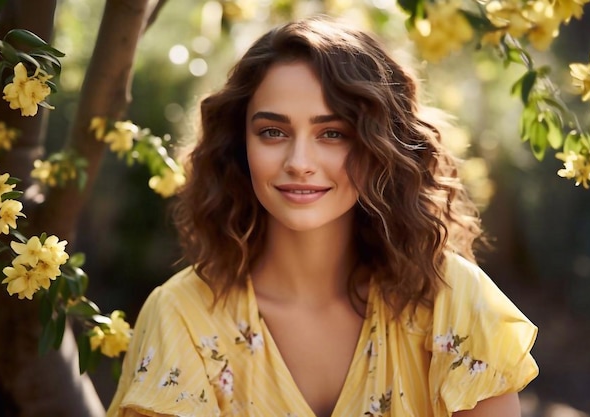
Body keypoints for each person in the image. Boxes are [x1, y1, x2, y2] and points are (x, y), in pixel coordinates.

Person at [107, 16, 538, 417]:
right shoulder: (181, 316)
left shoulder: (453, 301)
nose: (299, 161)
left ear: (378, 147)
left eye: (332, 134)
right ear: (241, 145)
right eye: (272, 132)